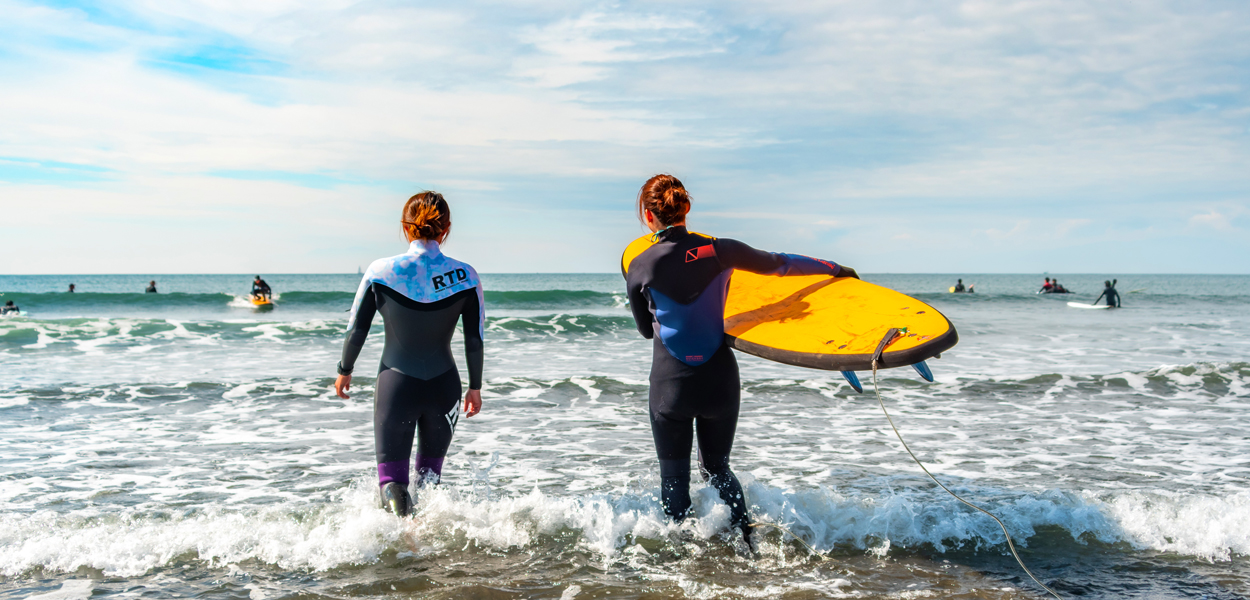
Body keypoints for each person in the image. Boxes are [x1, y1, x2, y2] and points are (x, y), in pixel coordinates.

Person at [622, 174, 857, 547]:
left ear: (649, 217)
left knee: (674, 481)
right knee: (717, 469)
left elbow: (646, 331)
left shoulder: (639, 266)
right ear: (686, 207)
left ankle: (682, 567)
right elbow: (780, 264)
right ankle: (749, 548)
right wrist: (834, 268)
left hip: (671, 388)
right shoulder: (721, 251)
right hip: (719, 381)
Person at [334, 191, 484, 517]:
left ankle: (405, 550)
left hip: (396, 385)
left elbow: (356, 328)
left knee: (392, 483)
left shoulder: (380, 271)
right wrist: (476, 386)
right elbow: (474, 338)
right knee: (430, 481)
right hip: (445, 386)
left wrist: (345, 369)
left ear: (406, 227)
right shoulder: (466, 276)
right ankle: (431, 549)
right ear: (446, 228)